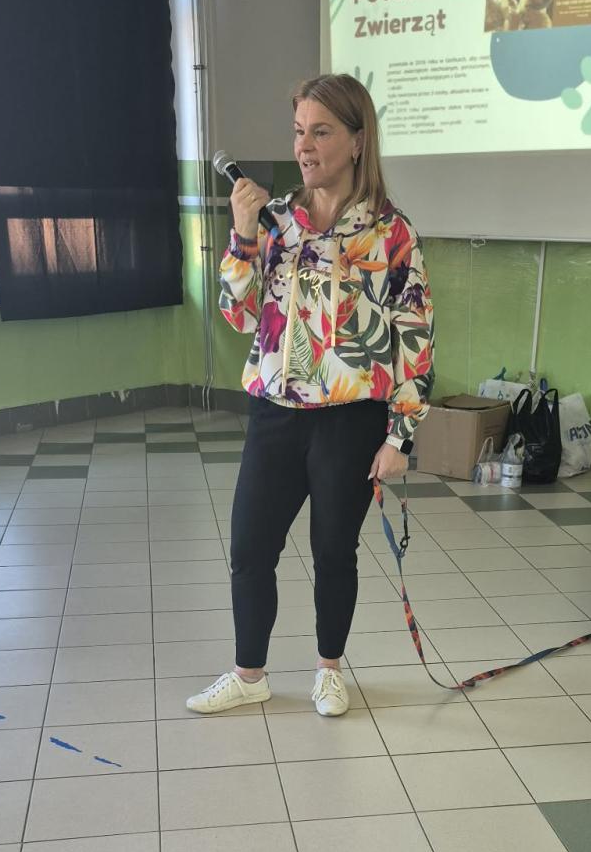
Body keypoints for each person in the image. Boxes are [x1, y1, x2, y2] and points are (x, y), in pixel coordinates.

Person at [186, 74, 434, 717]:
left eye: (321, 132)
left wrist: (401, 436)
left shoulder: (391, 233)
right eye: (299, 131)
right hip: (275, 412)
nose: (304, 146)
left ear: (357, 140)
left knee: (333, 552)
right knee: (250, 548)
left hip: (350, 420)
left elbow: (414, 336)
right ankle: (249, 674)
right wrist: (242, 233)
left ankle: (329, 671)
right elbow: (238, 316)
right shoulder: (276, 223)